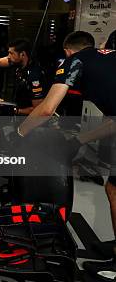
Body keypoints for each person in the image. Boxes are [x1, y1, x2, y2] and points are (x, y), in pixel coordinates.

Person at [18, 31, 116, 281]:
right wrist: (79, 139)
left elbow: (47, 109)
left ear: (67, 51)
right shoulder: (109, 60)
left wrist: (20, 132)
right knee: (113, 188)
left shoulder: (76, 61)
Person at [0, 38, 47, 115]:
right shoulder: (16, 62)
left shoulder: (34, 76)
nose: (8, 56)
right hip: (16, 107)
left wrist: (14, 110)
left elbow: (39, 110)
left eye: (11, 53)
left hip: (28, 119)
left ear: (22, 54)